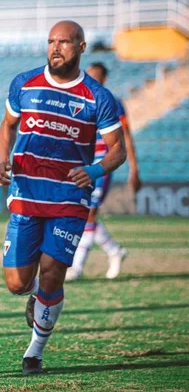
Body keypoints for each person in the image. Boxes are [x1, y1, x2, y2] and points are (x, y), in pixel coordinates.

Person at [0, 21, 126, 375]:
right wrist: (2, 160)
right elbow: (7, 126)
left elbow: (118, 151)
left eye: (64, 42)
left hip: (70, 197)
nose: (56, 48)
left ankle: (34, 351)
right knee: (17, 283)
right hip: (27, 192)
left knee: (54, 276)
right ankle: (34, 295)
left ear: (81, 47)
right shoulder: (24, 83)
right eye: (51, 41)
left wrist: (96, 171)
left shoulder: (98, 97)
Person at [66, 62, 141, 281]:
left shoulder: (113, 103)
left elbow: (126, 137)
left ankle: (78, 266)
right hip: (83, 162)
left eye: (96, 77)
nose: (91, 81)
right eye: (88, 76)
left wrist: (134, 170)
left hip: (103, 165)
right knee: (83, 212)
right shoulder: (79, 101)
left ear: (104, 79)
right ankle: (115, 251)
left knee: (89, 212)